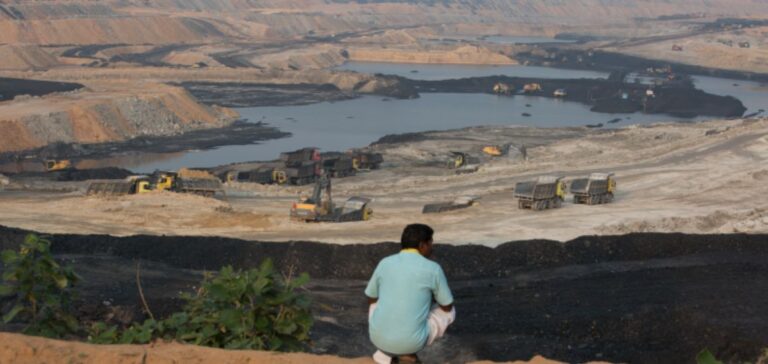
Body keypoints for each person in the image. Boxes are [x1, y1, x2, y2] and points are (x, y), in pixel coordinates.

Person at [365, 224, 456, 364]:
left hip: (378, 338)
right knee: (450, 311)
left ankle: (385, 354)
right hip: (411, 343)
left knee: (376, 302)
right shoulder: (433, 268)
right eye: (430, 243)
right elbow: (447, 306)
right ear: (422, 245)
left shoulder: (385, 262)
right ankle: (407, 354)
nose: (432, 247)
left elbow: (371, 297)